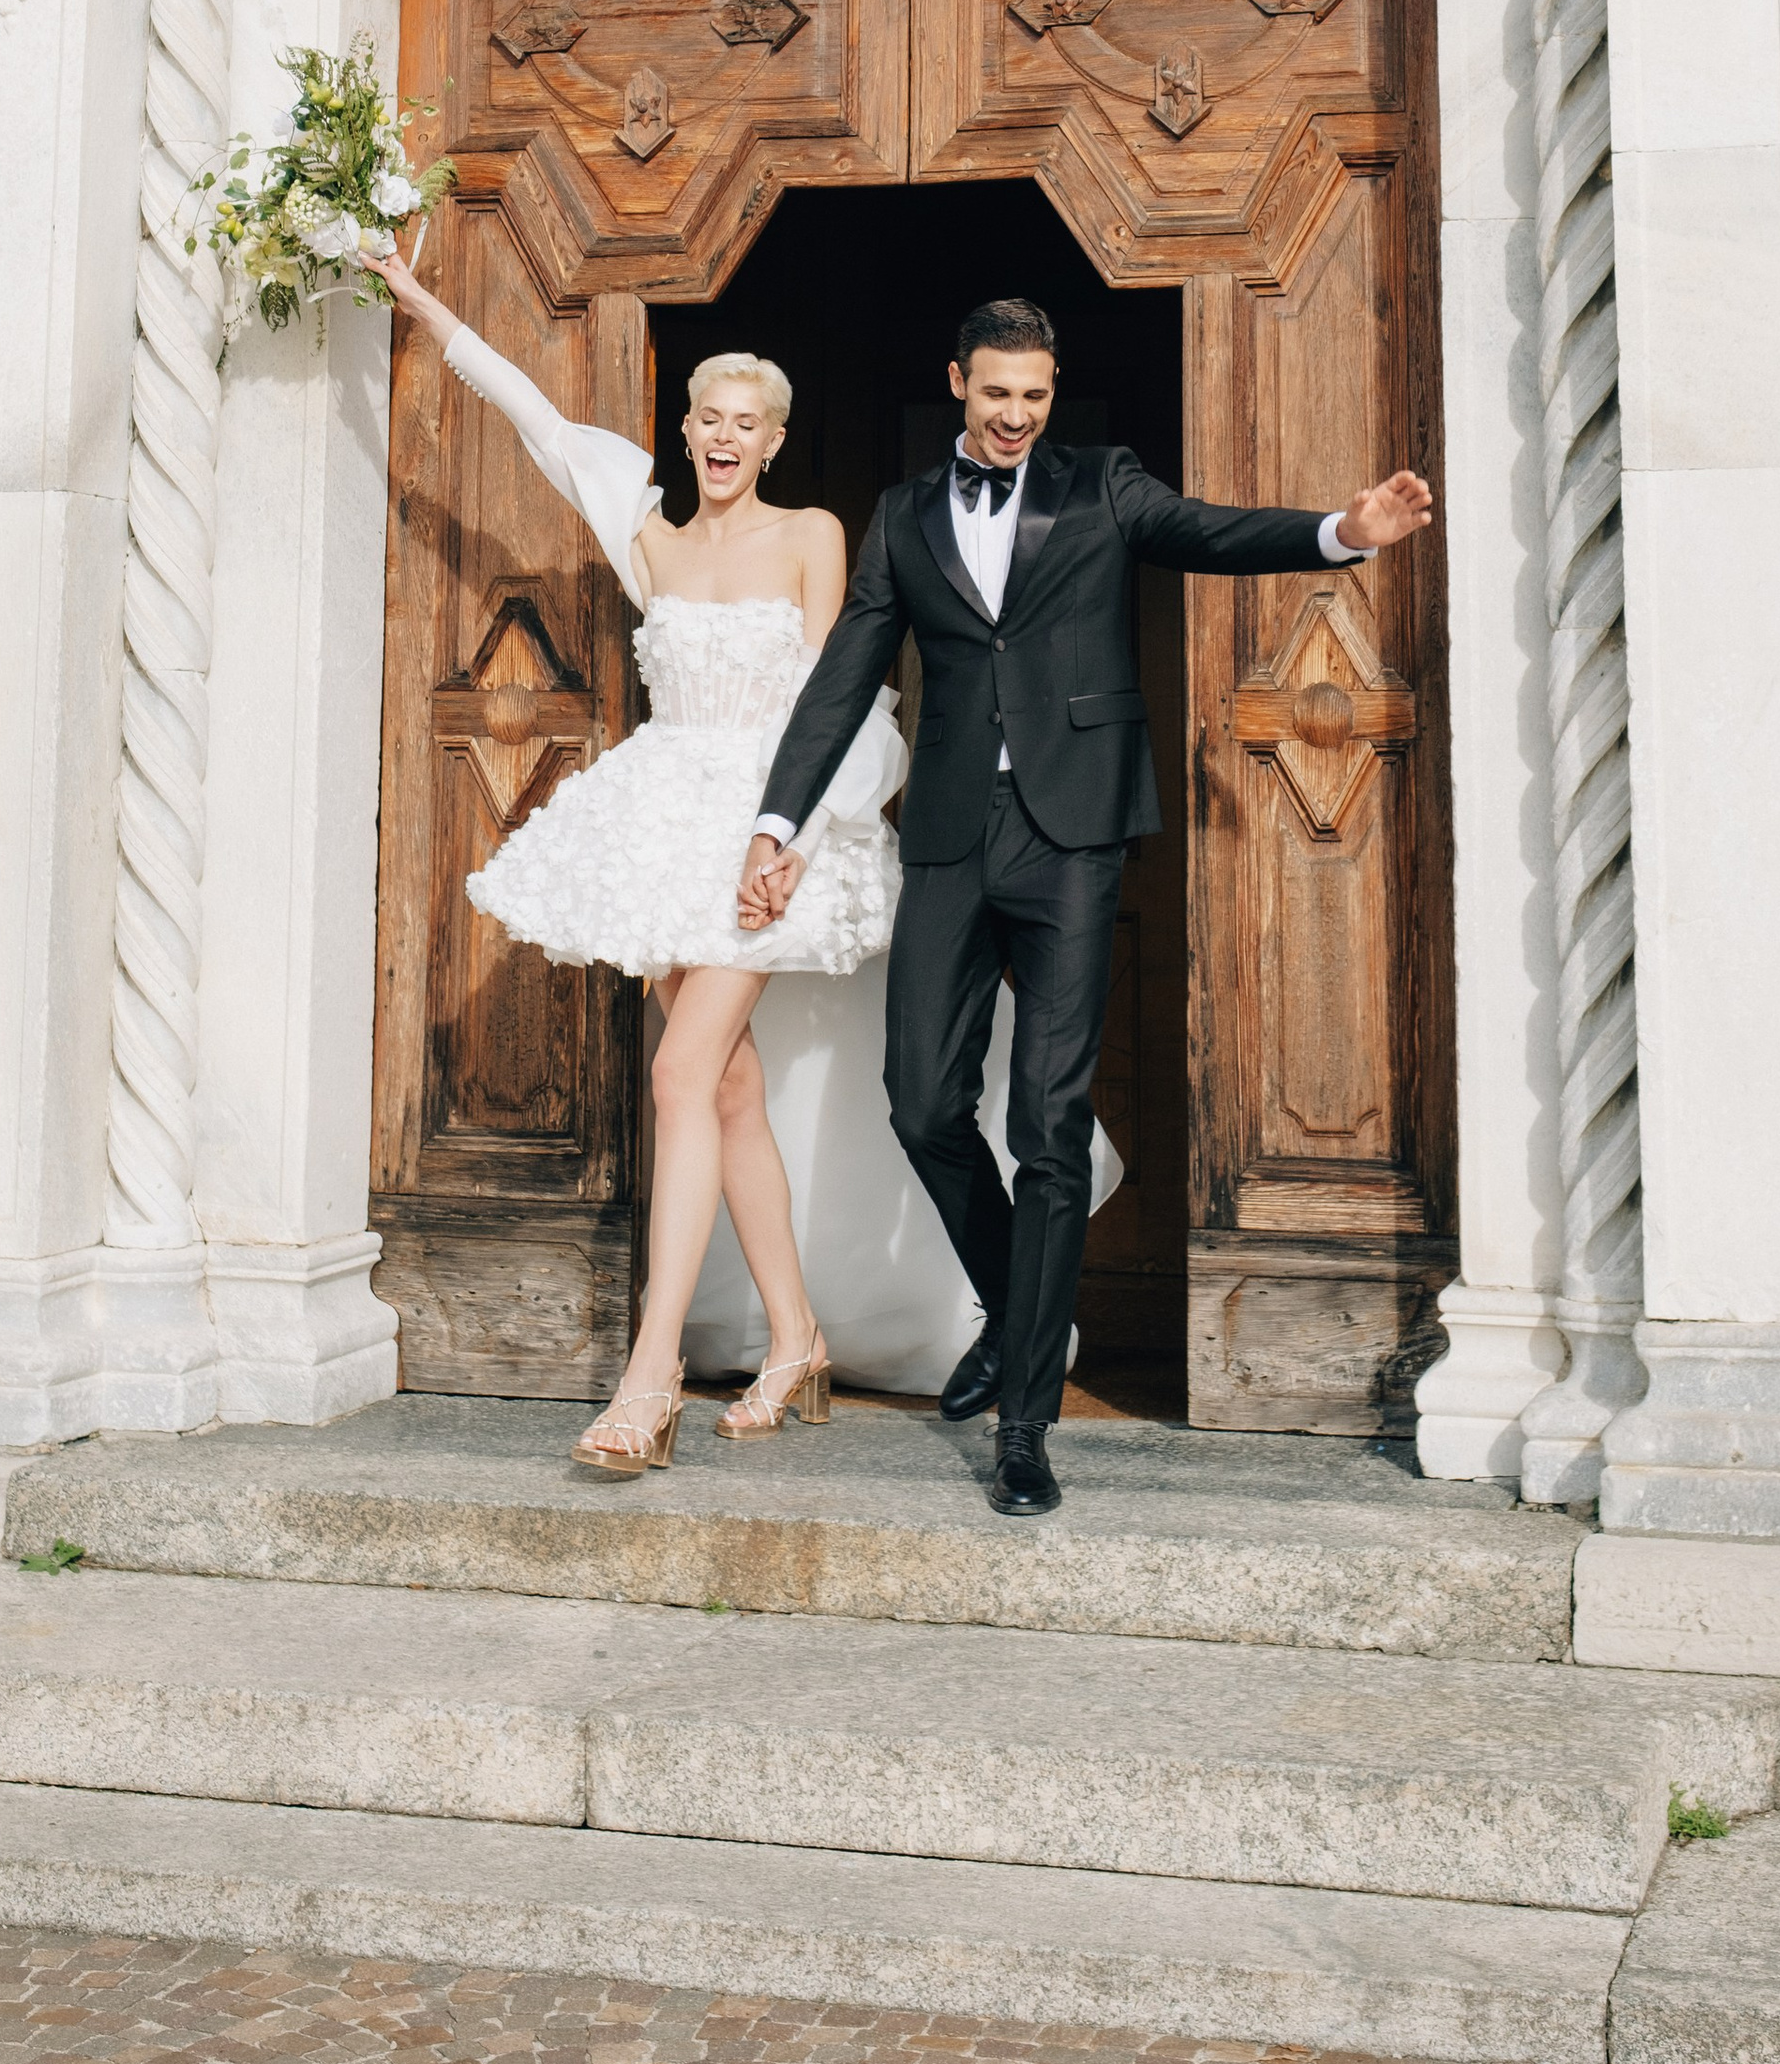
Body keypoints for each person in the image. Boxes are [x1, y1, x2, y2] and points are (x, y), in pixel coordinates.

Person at [740, 294, 1435, 1522]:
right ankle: (1020, 1314)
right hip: (953, 836)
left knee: (1051, 1125)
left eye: (1035, 399)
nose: (1015, 417)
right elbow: (846, 672)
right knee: (921, 1100)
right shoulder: (904, 517)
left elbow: (1212, 532)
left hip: (1074, 837)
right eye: (997, 394)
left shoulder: (1103, 484)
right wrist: (776, 824)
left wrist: (1343, 529)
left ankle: (1025, 1429)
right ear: (957, 381)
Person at [377, 247, 908, 1478]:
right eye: (709, 420)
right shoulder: (647, 532)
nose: (726, 439)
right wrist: (413, 299)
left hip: (766, 830)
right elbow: (533, 416)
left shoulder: (814, 534)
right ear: (687, 429)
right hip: (664, 820)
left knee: (678, 1070)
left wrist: (796, 836)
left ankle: (651, 1367)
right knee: (722, 1089)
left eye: (749, 425)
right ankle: (797, 1340)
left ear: (775, 441)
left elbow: (839, 700)